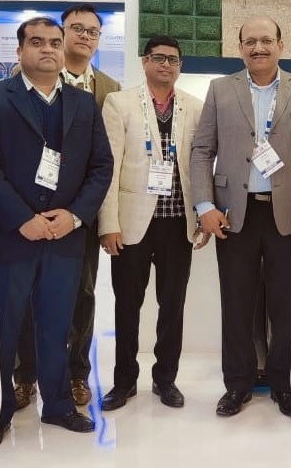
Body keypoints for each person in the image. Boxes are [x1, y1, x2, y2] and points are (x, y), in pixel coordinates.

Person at [0, 16, 113, 448]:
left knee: (57, 324)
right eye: (37, 42)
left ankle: (58, 404)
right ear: (20, 51)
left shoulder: (83, 104)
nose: (47, 49)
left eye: (54, 42)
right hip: (10, 236)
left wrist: (75, 215)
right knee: (4, 327)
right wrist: (21, 218)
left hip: (65, 237)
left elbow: (101, 166)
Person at [190, 16, 291, 418]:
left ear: (281, 45)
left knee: (285, 305)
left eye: (266, 40)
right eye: (250, 41)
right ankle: (237, 384)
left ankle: (285, 384)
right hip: (234, 214)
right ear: (240, 48)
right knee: (236, 303)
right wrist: (205, 207)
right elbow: (202, 150)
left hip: (289, 214)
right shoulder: (220, 89)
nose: (258, 48)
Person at [13, 4, 121, 411]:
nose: (85, 37)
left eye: (93, 32)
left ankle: (77, 373)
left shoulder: (110, 88)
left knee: (82, 294)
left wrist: (84, 213)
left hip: (79, 215)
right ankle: (26, 376)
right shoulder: (24, 80)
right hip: (29, 212)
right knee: (26, 296)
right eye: (77, 29)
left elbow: (105, 161)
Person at [97, 36, 206, 412]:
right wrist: (108, 223)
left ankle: (166, 379)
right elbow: (109, 167)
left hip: (178, 224)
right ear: (144, 61)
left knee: (172, 307)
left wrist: (202, 215)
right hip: (131, 225)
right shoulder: (120, 103)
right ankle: (124, 381)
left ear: (180, 66)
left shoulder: (194, 107)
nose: (165, 65)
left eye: (173, 59)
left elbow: (200, 166)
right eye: (158, 58)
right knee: (127, 306)